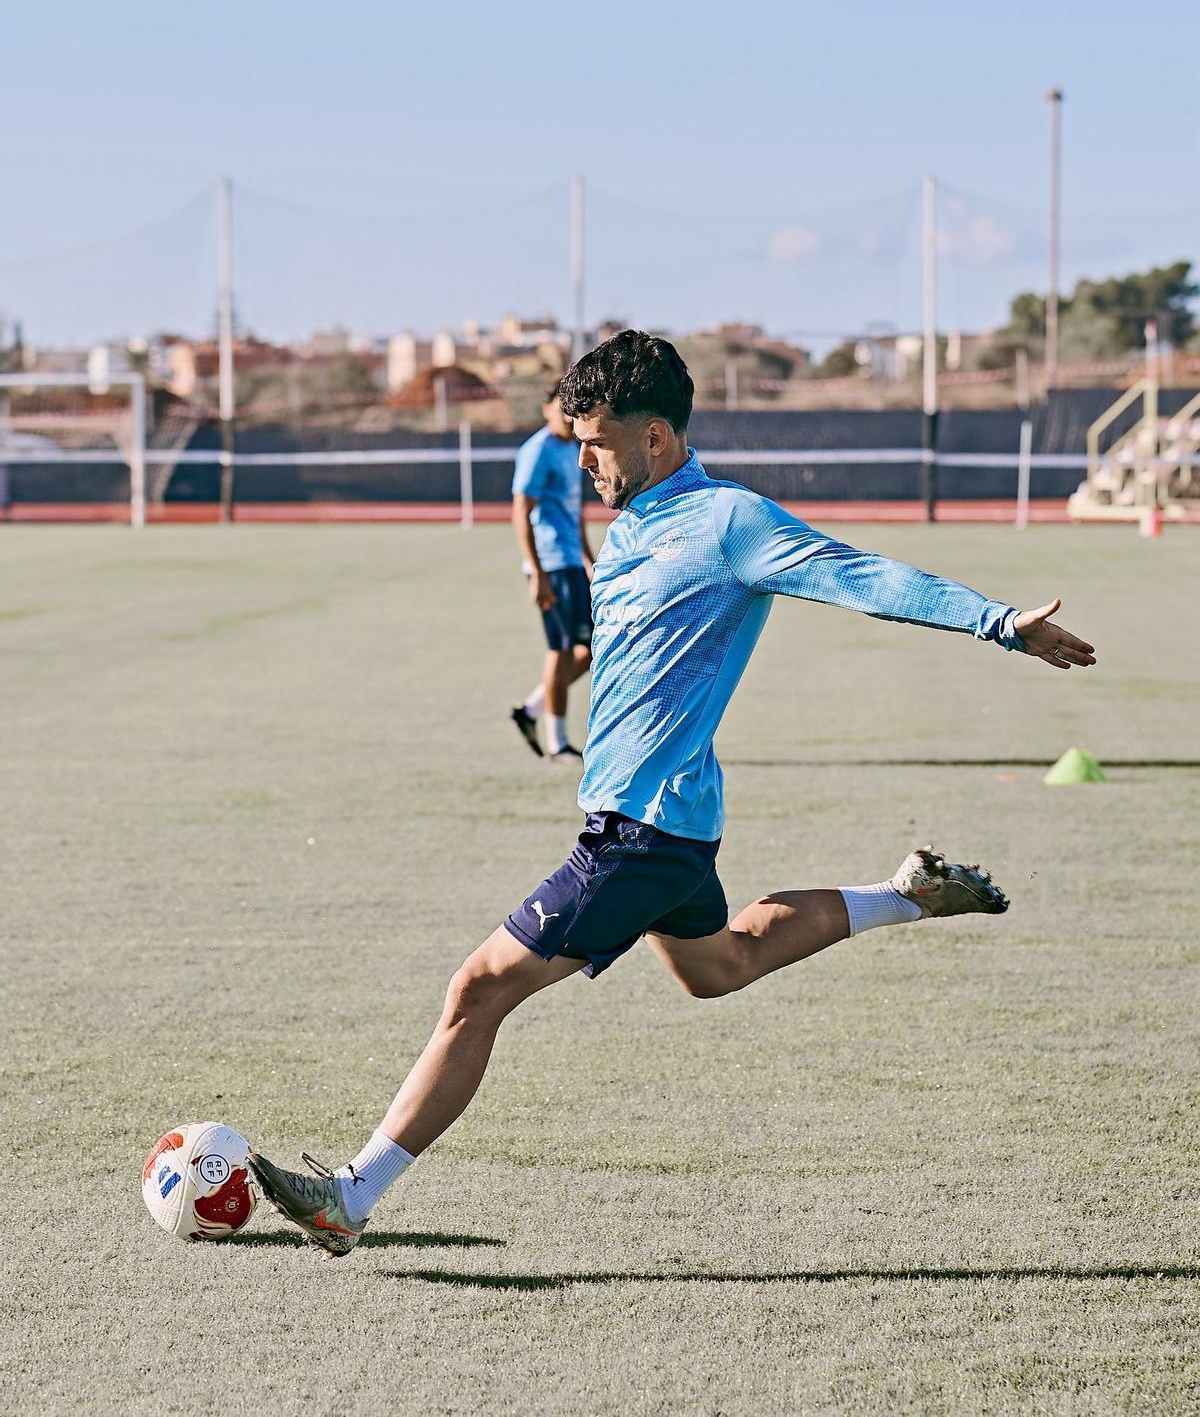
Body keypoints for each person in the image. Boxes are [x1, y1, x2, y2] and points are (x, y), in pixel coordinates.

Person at [250, 330, 1096, 1258]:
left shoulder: (731, 521)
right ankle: (908, 896)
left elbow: (859, 575)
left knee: (477, 989)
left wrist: (998, 622)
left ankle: (351, 1196)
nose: (583, 462)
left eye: (597, 443)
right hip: (677, 824)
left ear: (655, 437)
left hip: (642, 832)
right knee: (720, 966)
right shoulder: (632, 525)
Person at [508, 378, 595, 762]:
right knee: (559, 649)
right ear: (546, 409)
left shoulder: (574, 448)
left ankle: (530, 710)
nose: (567, 416)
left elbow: (575, 513)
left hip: (570, 561)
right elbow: (520, 513)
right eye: (561, 408)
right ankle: (557, 744)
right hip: (550, 563)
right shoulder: (537, 451)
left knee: (588, 650)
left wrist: (589, 560)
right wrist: (537, 571)